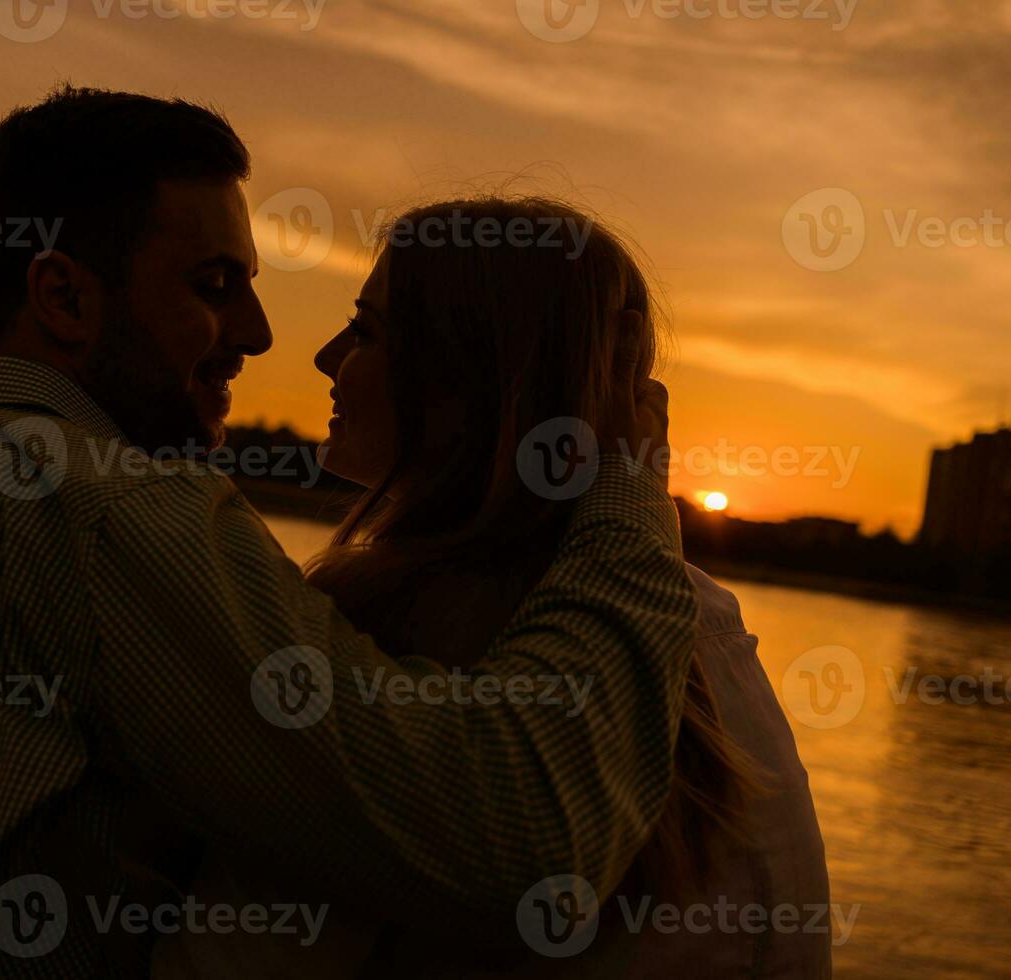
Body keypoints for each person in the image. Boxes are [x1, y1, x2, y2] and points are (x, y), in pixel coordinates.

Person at [0, 88, 699, 976]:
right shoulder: (108, 509)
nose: (263, 333)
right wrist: (628, 496)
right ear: (64, 297)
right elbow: (516, 838)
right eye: (215, 285)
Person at [155, 198, 832, 978]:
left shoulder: (395, 625)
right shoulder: (704, 616)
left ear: (464, 381)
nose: (325, 356)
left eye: (366, 331)